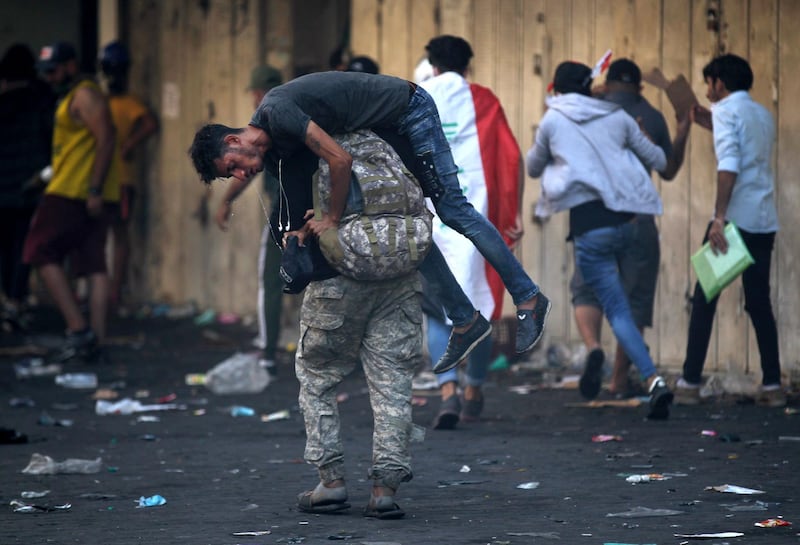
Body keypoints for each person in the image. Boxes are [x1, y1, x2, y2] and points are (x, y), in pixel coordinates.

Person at [188, 71, 550, 373]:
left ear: (234, 140)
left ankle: (529, 298)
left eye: (233, 165)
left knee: (452, 210)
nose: (240, 173)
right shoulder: (277, 153)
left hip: (408, 112)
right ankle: (465, 320)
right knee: (404, 224)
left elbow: (339, 160)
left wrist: (330, 218)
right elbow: (296, 195)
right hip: (377, 131)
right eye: (231, 175)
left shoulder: (277, 113)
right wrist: (297, 232)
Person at [526, 61, 673, 420]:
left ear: (556, 90)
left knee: (611, 304)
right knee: (623, 306)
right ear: (592, 87)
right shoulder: (619, 117)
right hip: (629, 223)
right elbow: (659, 160)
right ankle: (651, 380)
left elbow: (533, 166)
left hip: (591, 230)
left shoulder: (554, 120)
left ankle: (638, 370)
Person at [571, 58, 690, 399]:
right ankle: (620, 381)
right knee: (632, 304)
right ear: (639, 88)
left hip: (594, 218)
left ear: (607, 84)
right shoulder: (651, 115)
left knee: (586, 291)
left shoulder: (588, 110)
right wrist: (682, 131)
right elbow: (668, 170)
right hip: (638, 222)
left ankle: (594, 346)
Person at [421, 35, 524, 428]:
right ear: (468, 66)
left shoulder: (414, 96)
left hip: (427, 220)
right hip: (475, 219)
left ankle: (446, 389)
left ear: (431, 65)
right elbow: (510, 157)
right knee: (479, 305)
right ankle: (473, 387)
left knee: (435, 309)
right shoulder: (484, 100)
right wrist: (511, 212)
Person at [675, 54, 784, 408]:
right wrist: (710, 121)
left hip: (733, 220)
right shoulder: (763, 114)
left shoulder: (724, 112)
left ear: (719, 82)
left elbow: (730, 164)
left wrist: (719, 218)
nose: (708, 90)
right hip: (763, 219)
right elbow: (746, 146)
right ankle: (772, 385)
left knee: (705, 297)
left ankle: (690, 382)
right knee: (759, 302)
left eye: (710, 83)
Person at [22, 42, 116, 362]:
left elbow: (106, 138)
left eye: (54, 71)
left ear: (71, 66)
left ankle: (79, 330)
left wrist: (93, 189)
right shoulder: (75, 95)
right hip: (78, 187)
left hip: (73, 190)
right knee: (92, 263)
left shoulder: (85, 95)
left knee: (38, 249)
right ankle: (95, 342)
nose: (50, 78)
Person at [215, 64, 284, 374]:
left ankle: (268, 352)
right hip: (318, 210)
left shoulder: (265, 122)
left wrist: (227, 199)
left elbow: (247, 167)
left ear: (258, 93)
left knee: (270, 280)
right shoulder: (296, 114)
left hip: (285, 212)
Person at [98, 41, 158, 310]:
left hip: (122, 180)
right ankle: (100, 290)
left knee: (119, 235)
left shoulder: (129, 102)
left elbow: (149, 124)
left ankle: (114, 292)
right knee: (98, 236)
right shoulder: (99, 101)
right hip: (99, 180)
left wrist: (130, 144)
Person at [0, 43, 55, 330]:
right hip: (27, 188)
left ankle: (9, 299)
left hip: (3, 189)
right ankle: (15, 301)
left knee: (4, 248)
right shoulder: (41, 101)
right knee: (21, 247)